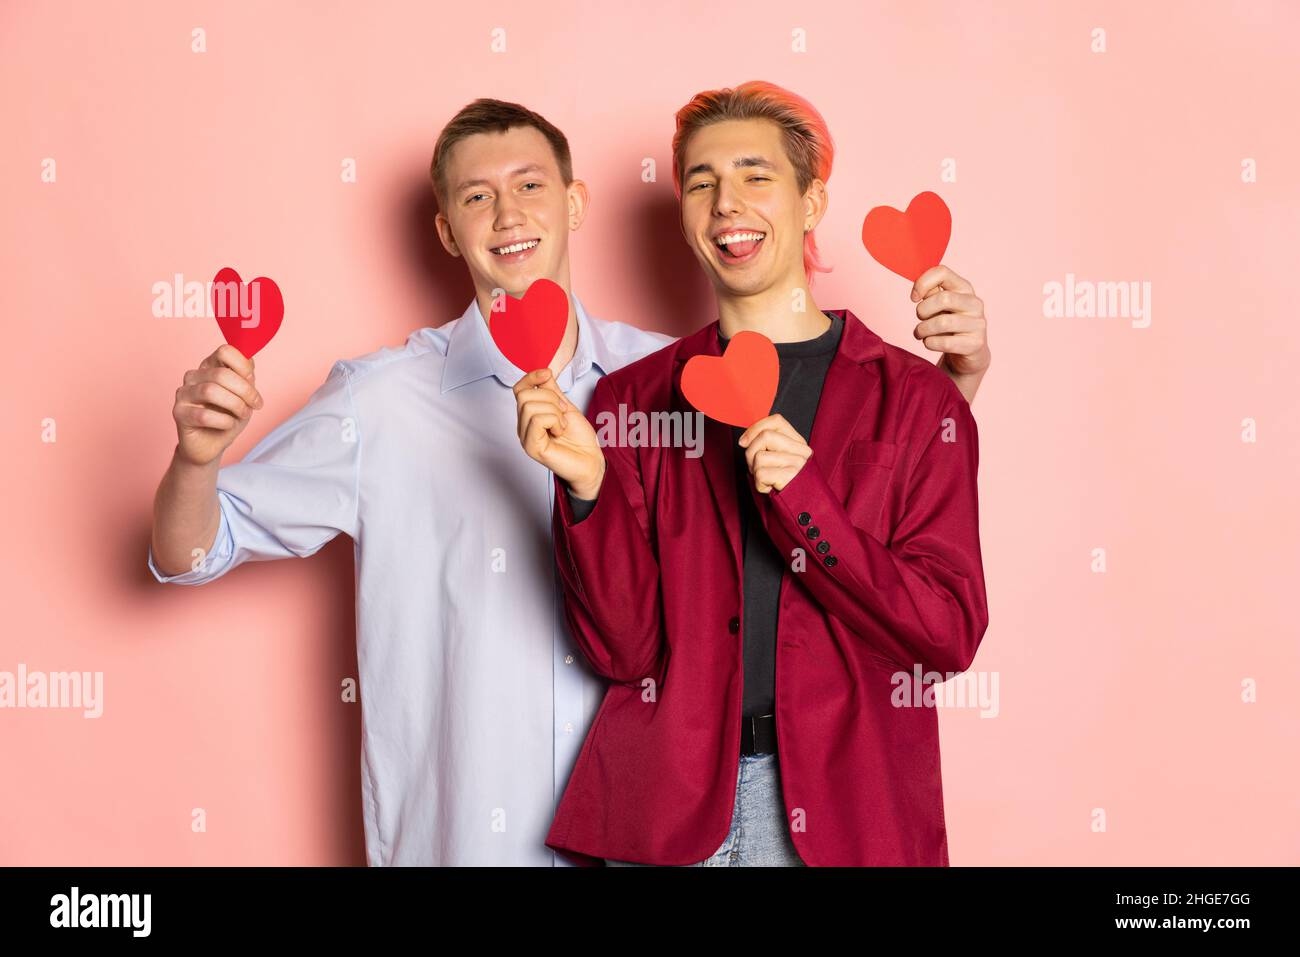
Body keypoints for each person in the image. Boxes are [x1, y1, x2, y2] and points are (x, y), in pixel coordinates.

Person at [150, 96, 988, 866]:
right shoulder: (434, 398)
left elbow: (910, 531)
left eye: (528, 185)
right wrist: (197, 454)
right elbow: (194, 546)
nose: (508, 214)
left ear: (576, 203)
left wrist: (952, 389)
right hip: (560, 824)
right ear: (445, 229)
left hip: (774, 808)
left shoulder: (667, 376)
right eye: (476, 196)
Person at [515, 81, 990, 866]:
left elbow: (946, 634)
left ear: (811, 202)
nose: (725, 201)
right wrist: (586, 490)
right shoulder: (632, 398)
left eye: (755, 174)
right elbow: (624, 652)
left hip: (846, 809)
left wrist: (808, 501)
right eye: (700, 181)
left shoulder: (915, 396)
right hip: (666, 808)